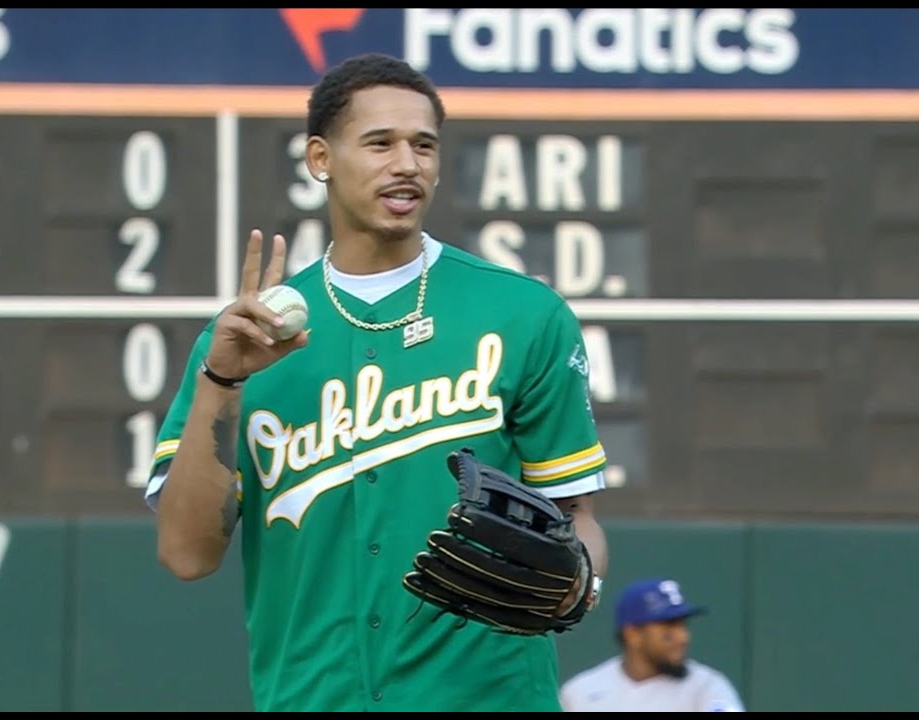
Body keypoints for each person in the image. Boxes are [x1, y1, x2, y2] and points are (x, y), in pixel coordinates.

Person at [142, 52, 610, 712]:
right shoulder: (244, 342)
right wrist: (221, 381)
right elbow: (187, 554)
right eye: (380, 143)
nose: (408, 164)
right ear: (320, 158)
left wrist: (579, 583)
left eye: (424, 145)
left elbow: (575, 518)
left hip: (488, 697)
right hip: (313, 698)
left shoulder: (524, 315)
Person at [560, 578, 745, 712]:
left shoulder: (706, 687)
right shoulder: (580, 692)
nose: (683, 637)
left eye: (683, 625)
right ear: (633, 635)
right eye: (669, 626)